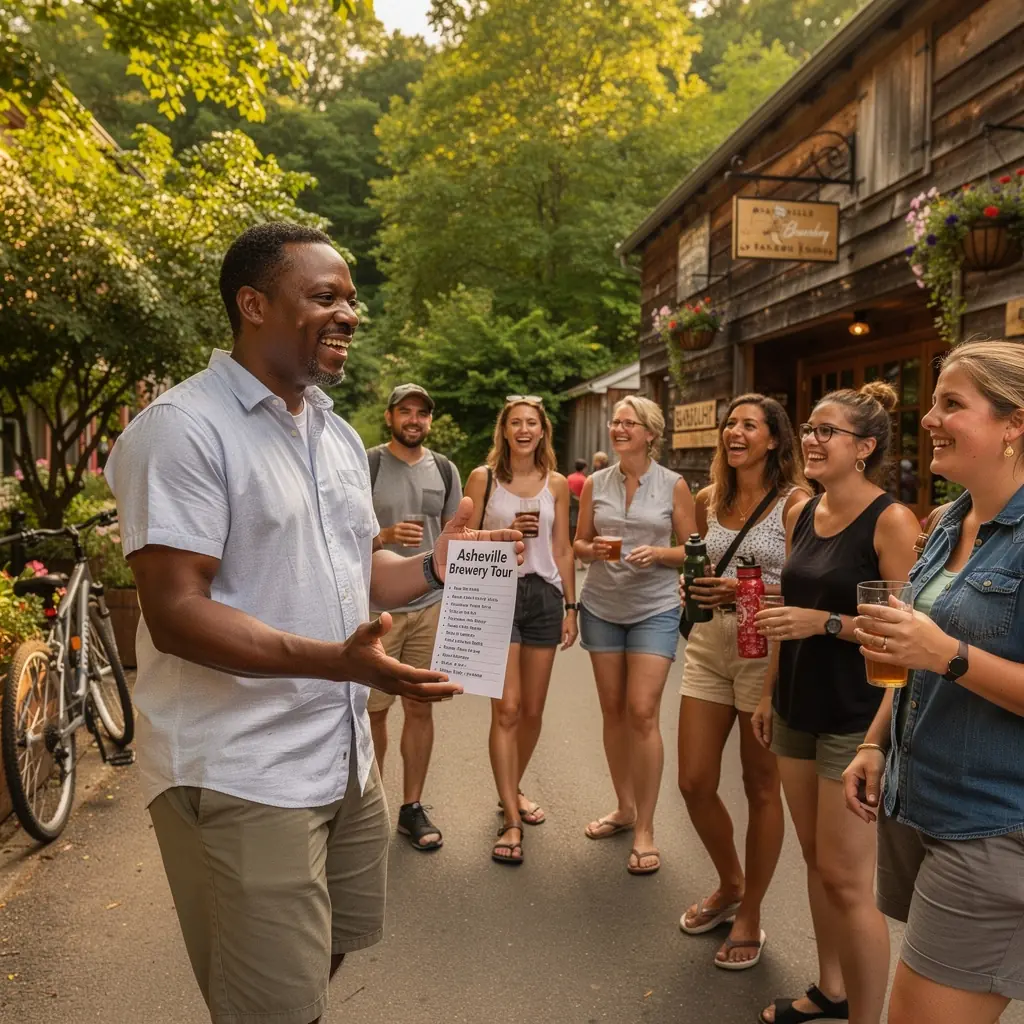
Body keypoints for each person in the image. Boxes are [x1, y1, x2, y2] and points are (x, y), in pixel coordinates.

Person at [104, 222, 522, 1024]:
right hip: (243, 771)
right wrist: (339, 662)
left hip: (341, 755)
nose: (349, 315)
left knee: (327, 950)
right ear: (253, 304)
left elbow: (358, 572)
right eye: (325, 296)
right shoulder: (183, 428)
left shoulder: (331, 433)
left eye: (352, 300)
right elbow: (177, 614)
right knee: (272, 1002)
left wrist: (438, 566)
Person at [846, 340, 1024, 1024]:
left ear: (1014, 424)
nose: (928, 419)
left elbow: (939, 652)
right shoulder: (951, 518)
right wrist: (874, 743)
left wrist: (948, 652)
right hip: (920, 802)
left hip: (994, 824)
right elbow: (912, 655)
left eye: (952, 403)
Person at [752, 383, 919, 1024]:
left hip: (856, 716)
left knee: (849, 882)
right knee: (818, 862)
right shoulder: (801, 511)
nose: (811, 441)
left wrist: (824, 623)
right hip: (796, 706)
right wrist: (769, 692)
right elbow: (785, 614)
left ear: (865, 447)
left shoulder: (892, 521)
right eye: (809, 429)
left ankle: (865, 1016)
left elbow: (906, 634)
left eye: (827, 431)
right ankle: (832, 990)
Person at [677, 395, 809, 969]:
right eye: (730, 423)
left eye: (749, 425)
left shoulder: (796, 505)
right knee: (693, 780)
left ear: (774, 439)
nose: (735, 432)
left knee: (760, 786)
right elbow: (703, 567)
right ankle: (731, 881)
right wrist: (696, 587)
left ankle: (751, 911)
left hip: (767, 649)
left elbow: (807, 589)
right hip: (709, 643)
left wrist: (743, 590)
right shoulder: (710, 498)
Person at [574, 396, 697, 875]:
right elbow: (579, 541)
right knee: (613, 710)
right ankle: (624, 808)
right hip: (602, 606)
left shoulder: (674, 485)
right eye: (616, 422)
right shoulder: (596, 483)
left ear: (650, 433)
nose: (619, 429)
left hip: (654, 608)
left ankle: (645, 827)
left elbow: (693, 550)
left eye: (629, 423)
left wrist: (658, 554)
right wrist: (593, 550)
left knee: (642, 711)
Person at [465, 396, 578, 864]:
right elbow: (461, 539)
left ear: (542, 430)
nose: (524, 430)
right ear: (505, 430)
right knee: (507, 709)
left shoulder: (557, 484)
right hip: (497, 592)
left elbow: (563, 548)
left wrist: (571, 606)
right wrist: (505, 531)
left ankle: (510, 789)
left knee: (532, 710)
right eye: (516, 423)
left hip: (545, 597)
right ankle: (511, 819)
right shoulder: (484, 478)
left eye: (532, 422)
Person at [366, 382, 462, 851]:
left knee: (420, 706)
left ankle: (411, 808)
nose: (414, 420)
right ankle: (370, 808)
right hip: (375, 609)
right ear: (390, 417)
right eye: (405, 411)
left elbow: (456, 538)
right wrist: (384, 535)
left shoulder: (444, 469)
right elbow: (342, 531)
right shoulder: (367, 463)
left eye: (422, 413)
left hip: (429, 606)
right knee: (373, 711)